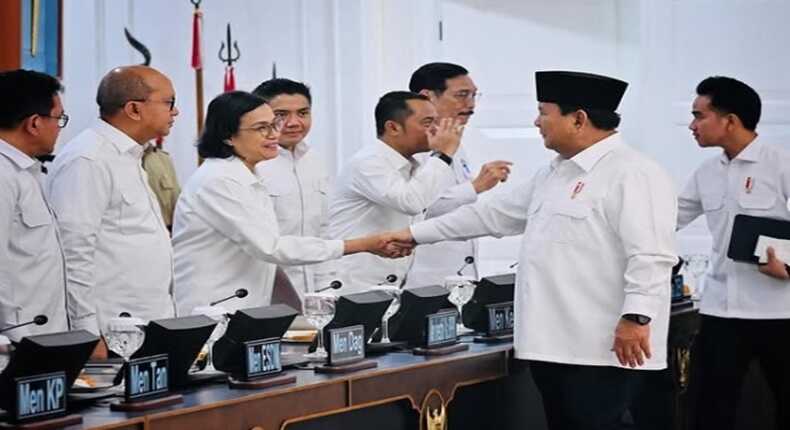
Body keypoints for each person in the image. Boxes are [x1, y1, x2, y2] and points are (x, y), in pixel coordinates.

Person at [391, 71, 678, 430]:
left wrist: (637, 318)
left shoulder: (633, 173)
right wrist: (413, 234)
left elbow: (652, 255)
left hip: (602, 348)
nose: (536, 121)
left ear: (578, 119)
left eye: (544, 112)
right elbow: (490, 216)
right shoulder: (554, 174)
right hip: (553, 346)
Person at [172, 91, 409, 316]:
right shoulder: (218, 180)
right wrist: (362, 244)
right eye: (261, 128)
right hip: (214, 307)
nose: (274, 134)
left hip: (249, 305)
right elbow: (270, 247)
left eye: (273, 125)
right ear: (228, 136)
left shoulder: (248, 174)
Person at [677, 76, 790, 430]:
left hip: (781, 312)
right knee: (709, 410)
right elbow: (666, 219)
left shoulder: (781, 164)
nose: (692, 125)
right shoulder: (706, 173)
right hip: (720, 311)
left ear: (730, 120)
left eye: (699, 115)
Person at [47, 66, 178, 346]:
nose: (175, 112)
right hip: (112, 328)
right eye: (169, 103)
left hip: (148, 318)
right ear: (133, 109)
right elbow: (73, 252)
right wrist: (87, 332)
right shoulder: (88, 159)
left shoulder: (129, 156)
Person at [328, 91, 463, 294]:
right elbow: (411, 202)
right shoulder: (368, 162)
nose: (436, 130)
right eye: (427, 123)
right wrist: (442, 155)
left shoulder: (415, 165)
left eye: (437, 122)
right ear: (393, 127)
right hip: (351, 287)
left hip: (390, 284)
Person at [406, 62, 511, 288]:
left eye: (474, 96)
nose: (471, 105)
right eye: (462, 95)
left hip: (460, 276)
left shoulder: (455, 143)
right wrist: (475, 187)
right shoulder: (409, 147)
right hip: (423, 280)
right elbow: (415, 208)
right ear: (427, 97)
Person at [0, 70, 69, 341]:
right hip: (17, 340)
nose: (59, 128)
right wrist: (10, 337)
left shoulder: (27, 171)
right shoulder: (3, 174)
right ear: (34, 123)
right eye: (58, 118)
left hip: (45, 333)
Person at [252, 78, 336, 297]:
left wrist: (327, 289)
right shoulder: (252, 165)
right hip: (267, 292)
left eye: (303, 113)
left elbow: (324, 230)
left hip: (315, 292)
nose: (294, 122)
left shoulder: (315, 161)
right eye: (281, 115)